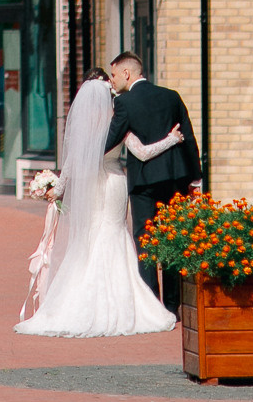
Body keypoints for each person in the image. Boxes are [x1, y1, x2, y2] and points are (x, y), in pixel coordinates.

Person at [15, 71, 184, 337]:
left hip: (92, 186)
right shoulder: (117, 122)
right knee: (115, 233)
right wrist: (171, 139)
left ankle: (77, 303)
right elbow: (142, 152)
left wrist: (56, 189)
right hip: (114, 181)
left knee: (91, 236)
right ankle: (127, 304)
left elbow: (70, 165)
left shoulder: (83, 128)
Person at [103, 50, 201, 306]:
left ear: (127, 73)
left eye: (113, 74)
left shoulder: (124, 103)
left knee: (145, 239)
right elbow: (189, 138)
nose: (112, 80)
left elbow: (110, 139)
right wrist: (196, 179)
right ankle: (172, 304)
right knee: (172, 237)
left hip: (144, 183)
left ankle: (151, 303)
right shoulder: (171, 96)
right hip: (176, 179)